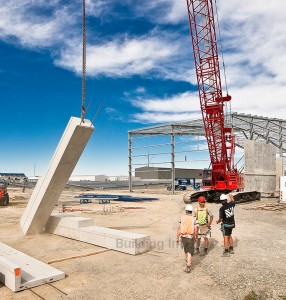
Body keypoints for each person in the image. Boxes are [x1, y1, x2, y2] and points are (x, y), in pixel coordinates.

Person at [176, 204, 198, 273]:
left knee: (186, 250)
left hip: (183, 237)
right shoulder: (194, 219)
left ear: (186, 211)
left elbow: (179, 229)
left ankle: (187, 260)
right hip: (190, 237)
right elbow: (196, 230)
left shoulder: (182, 218)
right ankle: (188, 266)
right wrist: (196, 237)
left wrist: (177, 238)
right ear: (191, 211)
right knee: (190, 251)